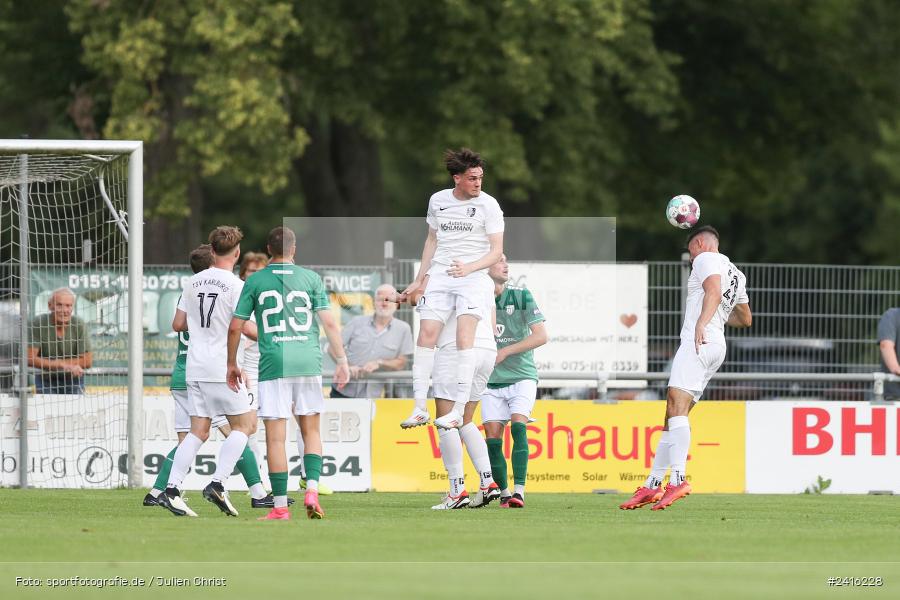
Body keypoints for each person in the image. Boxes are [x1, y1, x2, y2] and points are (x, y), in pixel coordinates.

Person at [620, 225, 751, 511]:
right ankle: (652, 484)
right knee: (673, 414)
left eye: (690, 250)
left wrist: (702, 322)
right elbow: (745, 319)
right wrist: (715, 316)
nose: (690, 257)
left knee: (674, 406)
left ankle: (678, 479)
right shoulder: (736, 273)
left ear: (701, 243)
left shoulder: (706, 259)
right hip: (717, 345)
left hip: (699, 340)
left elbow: (713, 290)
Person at [228, 226, 350, 520]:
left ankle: (280, 506)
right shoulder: (310, 278)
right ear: (294, 250)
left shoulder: (255, 280)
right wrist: (342, 361)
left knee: (276, 439)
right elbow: (331, 324)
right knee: (311, 431)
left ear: (269, 250)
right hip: (308, 361)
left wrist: (231, 363)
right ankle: (312, 488)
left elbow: (236, 326)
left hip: (274, 364)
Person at [145, 244, 277, 513]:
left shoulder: (191, 284)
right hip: (219, 369)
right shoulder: (233, 285)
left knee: (196, 434)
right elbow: (239, 328)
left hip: (189, 369)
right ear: (234, 254)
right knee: (244, 427)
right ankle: (230, 486)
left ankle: (166, 490)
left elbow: (177, 324)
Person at [399, 148, 504, 430]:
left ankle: (458, 410)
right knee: (427, 334)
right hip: (442, 274)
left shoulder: (489, 205)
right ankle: (419, 407)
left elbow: (497, 252)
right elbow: (431, 241)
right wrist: (420, 279)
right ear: (457, 178)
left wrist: (469, 268)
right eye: (472, 179)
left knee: (463, 335)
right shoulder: (438, 201)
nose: (478, 183)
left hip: (472, 277)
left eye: (481, 178)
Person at [482, 254, 548, 509]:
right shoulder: (477, 300)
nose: (505, 264)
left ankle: (520, 491)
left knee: (519, 428)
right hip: (490, 381)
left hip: (522, 376)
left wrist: (506, 351)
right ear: (484, 267)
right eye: (499, 260)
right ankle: (505, 492)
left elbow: (541, 336)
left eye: (505, 260)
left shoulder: (521, 296)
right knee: (492, 439)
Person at [430, 305, 500, 509]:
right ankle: (487, 481)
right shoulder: (483, 279)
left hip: (457, 348)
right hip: (486, 348)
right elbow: (494, 324)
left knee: (446, 422)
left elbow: (429, 324)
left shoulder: (445, 275)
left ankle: (457, 491)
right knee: (465, 420)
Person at [329, 283, 414, 399]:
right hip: (342, 392)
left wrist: (379, 363)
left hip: (373, 397)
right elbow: (333, 347)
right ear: (374, 303)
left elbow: (401, 363)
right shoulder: (356, 322)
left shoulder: (403, 329)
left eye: (388, 300)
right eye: (380, 300)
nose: (384, 303)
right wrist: (347, 366)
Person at [27, 288, 92, 394]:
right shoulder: (37, 323)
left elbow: (87, 361)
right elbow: (30, 358)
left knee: (75, 410)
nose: (64, 310)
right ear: (50, 306)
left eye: (68, 305)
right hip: (45, 379)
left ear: (72, 307)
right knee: (45, 410)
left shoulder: (79, 324)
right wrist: (61, 365)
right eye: (59, 305)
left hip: (73, 379)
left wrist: (57, 364)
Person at [876, 307, 900, 400]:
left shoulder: (891, 316)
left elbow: (885, 345)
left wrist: (897, 369)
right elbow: (886, 345)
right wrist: (897, 369)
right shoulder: (892, 316)